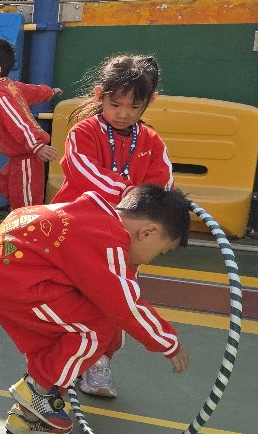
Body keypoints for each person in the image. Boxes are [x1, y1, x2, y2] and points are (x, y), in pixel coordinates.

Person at [0, 184, 191, 434]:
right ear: (148, 232)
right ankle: (37, 390)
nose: (153, 259)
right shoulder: (108, 240)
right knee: (93, 330)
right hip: (15, 279)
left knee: (59, 335)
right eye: (160, 251)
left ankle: (27, 415)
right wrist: (167, 342)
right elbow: (125, 305)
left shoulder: (93, 216)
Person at [53, 53, 174, 398]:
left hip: (122, 240)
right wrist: (131, 195)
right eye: (115, 104)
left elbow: (162, 184)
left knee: (112, 299)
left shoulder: (152, 142)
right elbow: (83, 172)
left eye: (134, 107)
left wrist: (147, 204)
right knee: (67, 296)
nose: (123, 114)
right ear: (99, 95)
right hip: (78, 233)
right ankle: (60, 357)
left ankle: (99, 361)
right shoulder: (83, 133)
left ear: (150, 102)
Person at [0, 38, 62, 209]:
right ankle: (19, 218)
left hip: (27, 156)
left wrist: (36, 146)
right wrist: (49, 92)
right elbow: (30, 91)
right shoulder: (8, 86)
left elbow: (18, 122)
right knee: (10, 189)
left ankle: (27, 224)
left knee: (26, 203)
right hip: (19, 156)